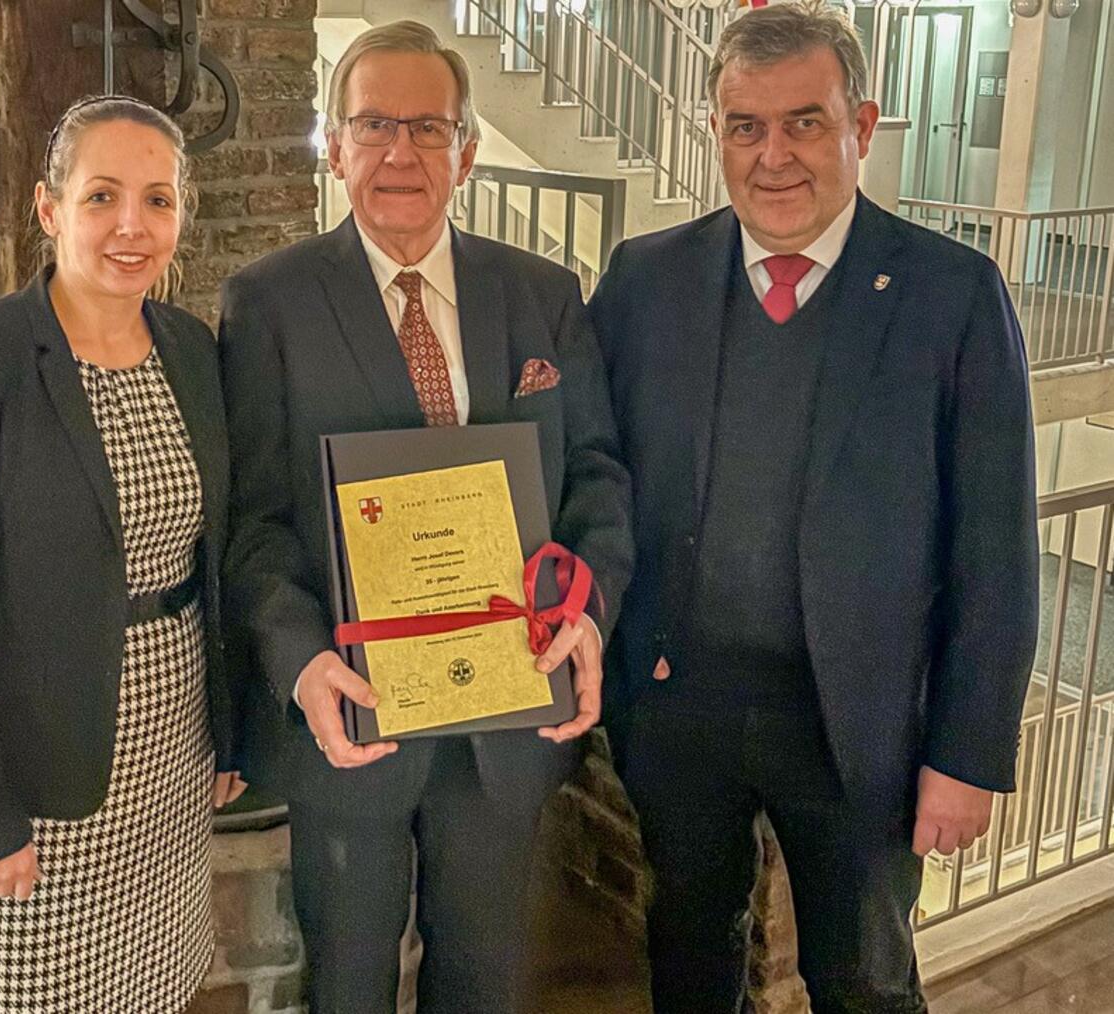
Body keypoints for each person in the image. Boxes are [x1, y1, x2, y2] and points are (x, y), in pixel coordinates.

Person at [589, 5, 1038, 1011]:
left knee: (865, 980)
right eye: (746, 125)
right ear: (715, 131)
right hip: (677, 710)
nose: (773, 154)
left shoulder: (952, 295)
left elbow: (996, 550)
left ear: (862, 126)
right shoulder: (642, 280)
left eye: (804, 121)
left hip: (862, 724)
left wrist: (967, 755)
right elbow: (587, 470)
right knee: (692, 963)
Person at [218, 21, 633, 1014]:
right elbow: (254, 523)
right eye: (372, 124)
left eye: (427, 127)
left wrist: (589, 611)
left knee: (482, 980)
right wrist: (301, 660)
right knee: (349, 981)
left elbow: (598, 475)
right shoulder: (267, 303)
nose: (400, 151)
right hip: (352, 719)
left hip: (506, 723)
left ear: (469, 150)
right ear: (334, 143)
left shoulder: (541, 293)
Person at [0, 95, 246, 1013]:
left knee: (154, 986)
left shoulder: (191, 349)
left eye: (159, 201)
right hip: (31, 761)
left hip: (168, 742)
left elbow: (216, 561)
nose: (134, 226)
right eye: (102, 197)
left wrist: (227, 732)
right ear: (49, 210)